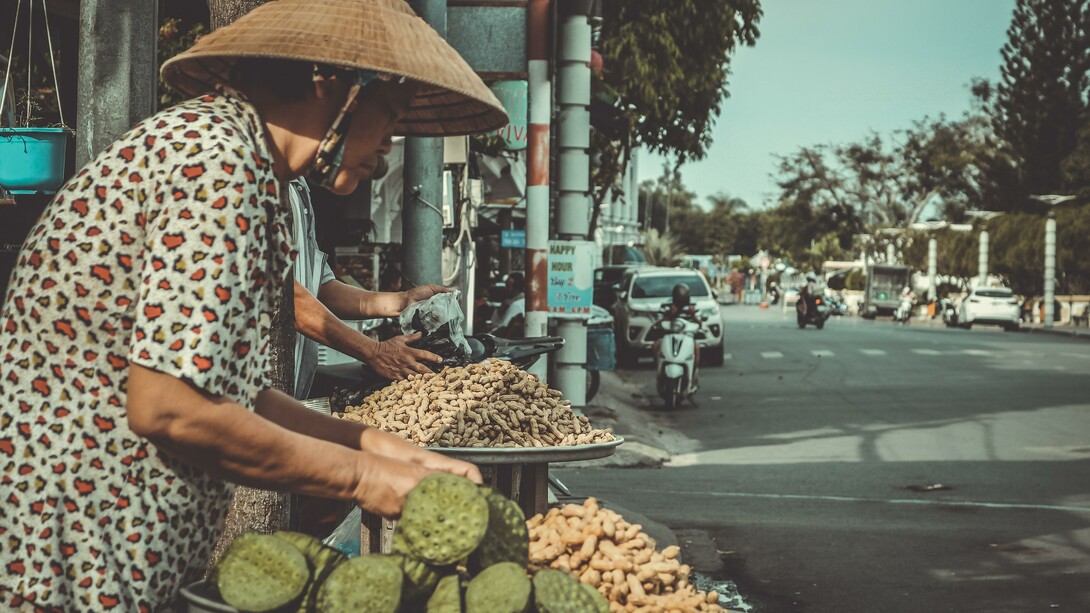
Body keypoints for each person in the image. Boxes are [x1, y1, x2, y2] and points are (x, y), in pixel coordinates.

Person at [0, 0, 507, 609]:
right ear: (333, 83)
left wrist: (366, 442)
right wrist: (363, 476)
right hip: (62, 564)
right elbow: (171, 408)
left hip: (113, 558)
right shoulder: (217, 164)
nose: (392, 145)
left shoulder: (250, 172)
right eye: (390, 116)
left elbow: (230, 395)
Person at [494, 272, 526, 337]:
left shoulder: (516, 305)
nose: (505, 289)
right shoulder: (511, 303)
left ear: (516, 287)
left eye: (508, 286)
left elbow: (501, 327)